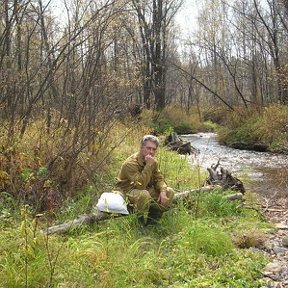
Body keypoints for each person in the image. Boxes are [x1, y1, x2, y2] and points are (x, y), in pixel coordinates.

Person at [114, 135, 175, 225]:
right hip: (127, 190)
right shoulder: (130, 163)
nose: (151, 152)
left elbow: (159, 178)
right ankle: (139, 223)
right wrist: (148, 166)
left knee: (169, 192)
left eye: (154, 149)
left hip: (145, 189)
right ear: (141, 148)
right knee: (143, 195)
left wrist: (163, 190)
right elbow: (140, 185)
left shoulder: (153, 162)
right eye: (148, 148)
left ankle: (152, 223)